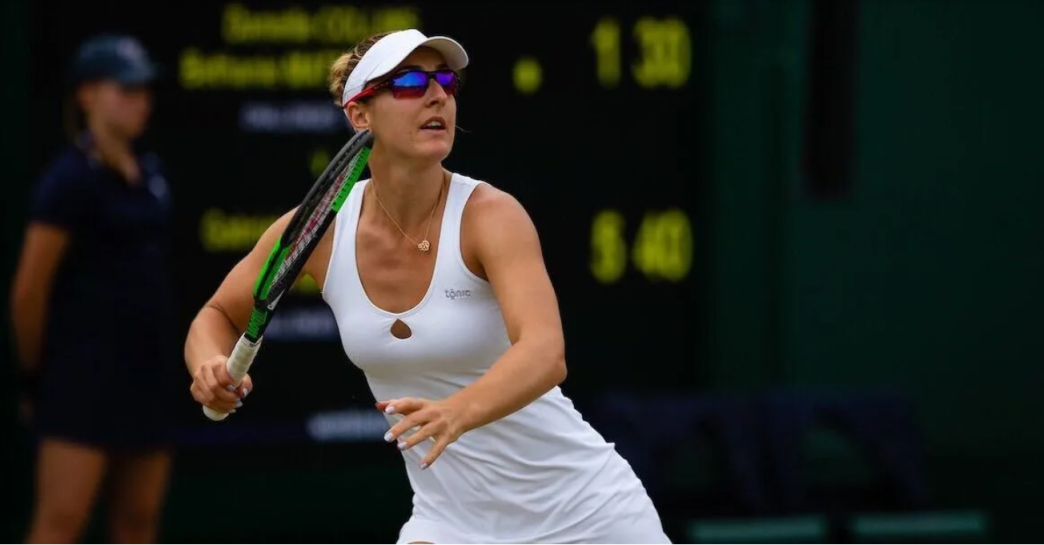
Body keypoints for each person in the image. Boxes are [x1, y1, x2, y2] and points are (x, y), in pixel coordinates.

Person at [185, 29, 670, 544]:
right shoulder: (318, 231)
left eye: (446, 81)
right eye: (411, 82)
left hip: (587, 516)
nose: (438, 94)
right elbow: (217, 315)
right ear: (360, 115)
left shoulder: (491, 216)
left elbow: (546, 352)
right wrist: (209, 366)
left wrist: (457, 411)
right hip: (451, 523)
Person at [10, 34, 176, 543]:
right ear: (87, 96)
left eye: (144, 89)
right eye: (125, 88)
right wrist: (38, 376)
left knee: (138, 522)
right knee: (62, 523)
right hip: (81, 383)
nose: (139, 99)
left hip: (146, 380)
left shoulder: (151, 175)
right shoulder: (66, 181)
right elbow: (28, 293)